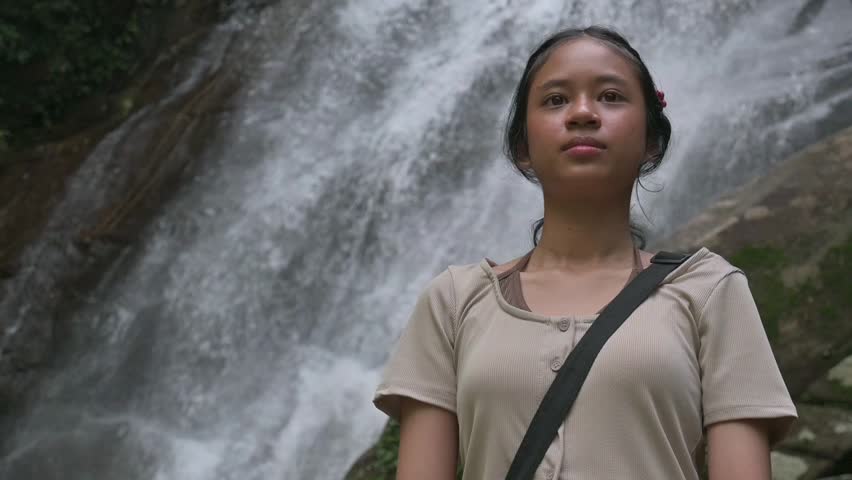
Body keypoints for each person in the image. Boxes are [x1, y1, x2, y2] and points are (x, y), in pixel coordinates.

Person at [372, 25, 797, 480]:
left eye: (611, 96)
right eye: (555, 100)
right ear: (523, 148)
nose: (582, 113)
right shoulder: (454, 300)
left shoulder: (709, 291)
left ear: (651, 141)